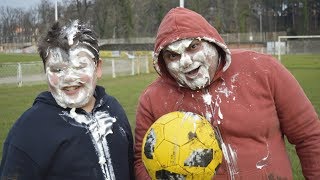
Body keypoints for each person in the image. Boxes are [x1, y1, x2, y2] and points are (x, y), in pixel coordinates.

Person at [134, 7, 320, 179]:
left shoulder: (263, 69)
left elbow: (309, 136)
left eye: (193, 47)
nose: (185, 62)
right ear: (163, 62)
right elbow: (142, 163)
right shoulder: (152, 99)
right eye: (172, 55)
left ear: (212, 42)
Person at [0, 20, 134, 180]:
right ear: (45, 71)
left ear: (98, 68)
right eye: (57, 69)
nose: (69, 78)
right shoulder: (28, 130)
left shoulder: (114, 110)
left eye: (79, 67)